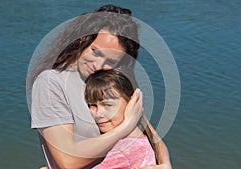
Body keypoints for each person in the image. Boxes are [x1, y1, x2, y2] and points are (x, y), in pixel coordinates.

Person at [27, 4, 172, 169]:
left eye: (111, 61)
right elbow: (67, 161)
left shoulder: (110, 81)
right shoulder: (51, 83)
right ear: (83, 38)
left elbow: (150, 133)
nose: (98, 65)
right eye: (96, 52)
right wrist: (125, 127)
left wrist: (165, 163)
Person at [85, 69, 157, 168]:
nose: (98, 114)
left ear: (131, 103)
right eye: (92, 105)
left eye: (107, 105)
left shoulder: (125, 150)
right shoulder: (139, 140)